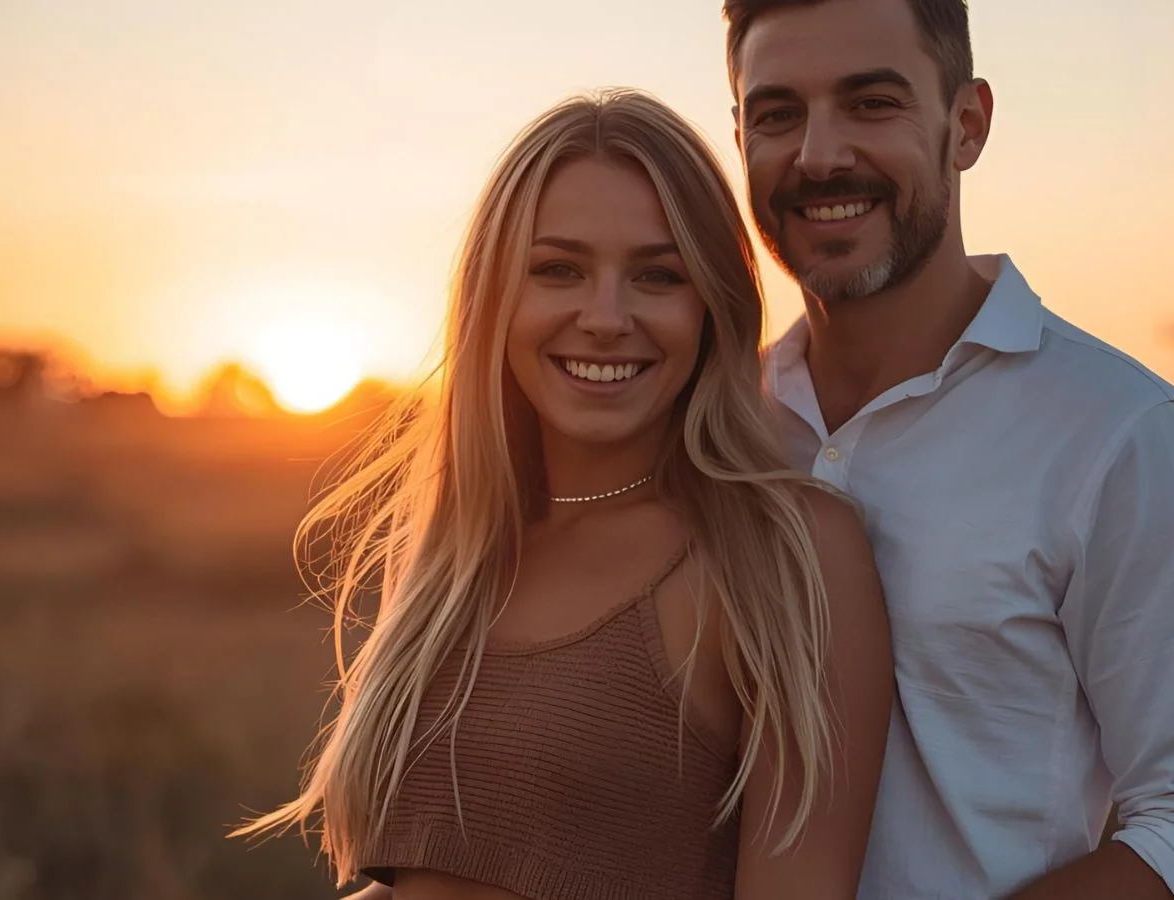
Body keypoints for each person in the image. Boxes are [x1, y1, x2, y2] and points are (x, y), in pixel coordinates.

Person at [236, 89, 894, 900]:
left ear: (712, 307)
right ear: (494, 299)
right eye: (558, 270)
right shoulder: (464, 550)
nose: (606, 317)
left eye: (657, 275)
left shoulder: (786, 553)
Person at [722, 0, 1174, 897]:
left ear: (966, 124)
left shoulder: (1117, 433)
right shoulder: (716, 422)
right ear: (741, 133)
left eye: (872, 103)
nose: (819, 155)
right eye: (779, 113)